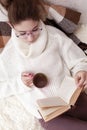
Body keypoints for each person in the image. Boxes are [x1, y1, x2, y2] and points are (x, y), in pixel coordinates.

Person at [0, 0, 87, 130]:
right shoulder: (8, 56)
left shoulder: (54, 35)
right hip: (50, 115)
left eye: (35, 29)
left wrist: (81, 70)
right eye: (23, 33)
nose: (30, 38)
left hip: (73, 99)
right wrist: (20, 83)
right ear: (10, 24)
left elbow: (78, 60)